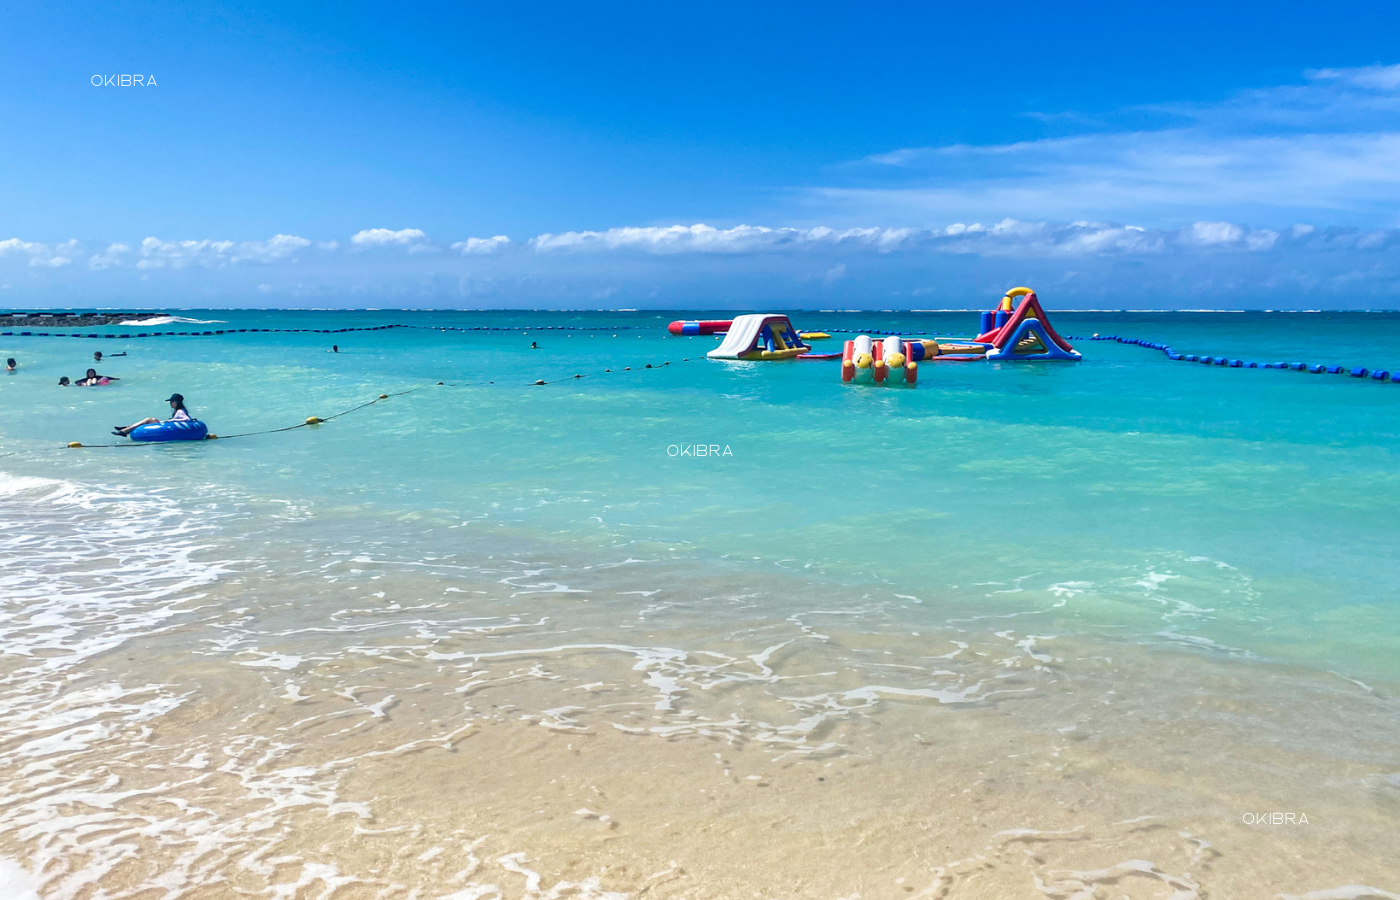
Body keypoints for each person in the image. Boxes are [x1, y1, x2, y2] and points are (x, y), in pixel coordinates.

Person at [113, 393, 191, 436]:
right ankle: (127, 428)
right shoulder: (179, 410)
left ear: (175, 402)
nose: (170, 404)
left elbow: (187, 419)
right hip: (170, 425)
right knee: (152, 419)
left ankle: (125, 430)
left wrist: (171, 420)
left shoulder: (180, 411)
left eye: (171, 402)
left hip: (172, 426)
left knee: (148, 420)